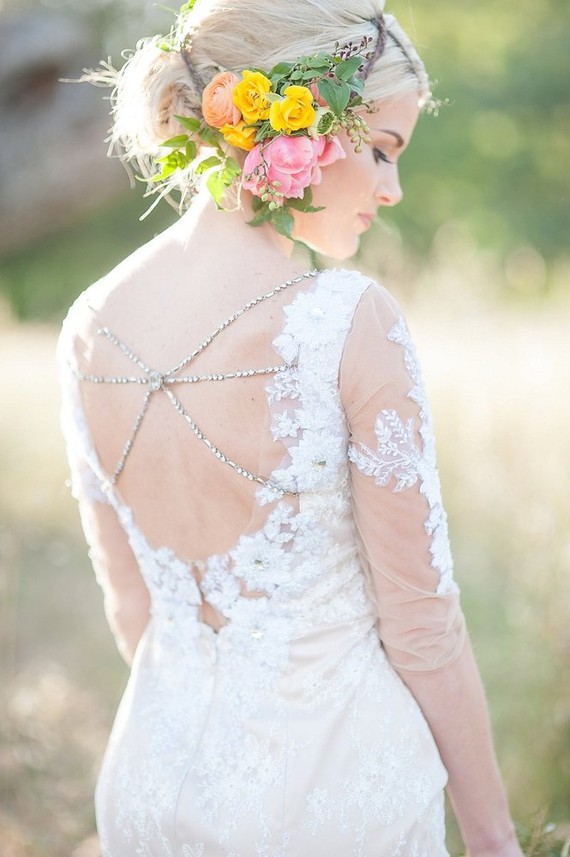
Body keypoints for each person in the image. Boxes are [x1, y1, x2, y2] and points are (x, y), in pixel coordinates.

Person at [58, 2, 525, 855]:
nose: (392, 190)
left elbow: (132, 606)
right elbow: (422, 627)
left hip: (150, 787)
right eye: (382, 149)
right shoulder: (347, 321)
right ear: (300, 123)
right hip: (333, 797)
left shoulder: (89, 323)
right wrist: (494, 838)